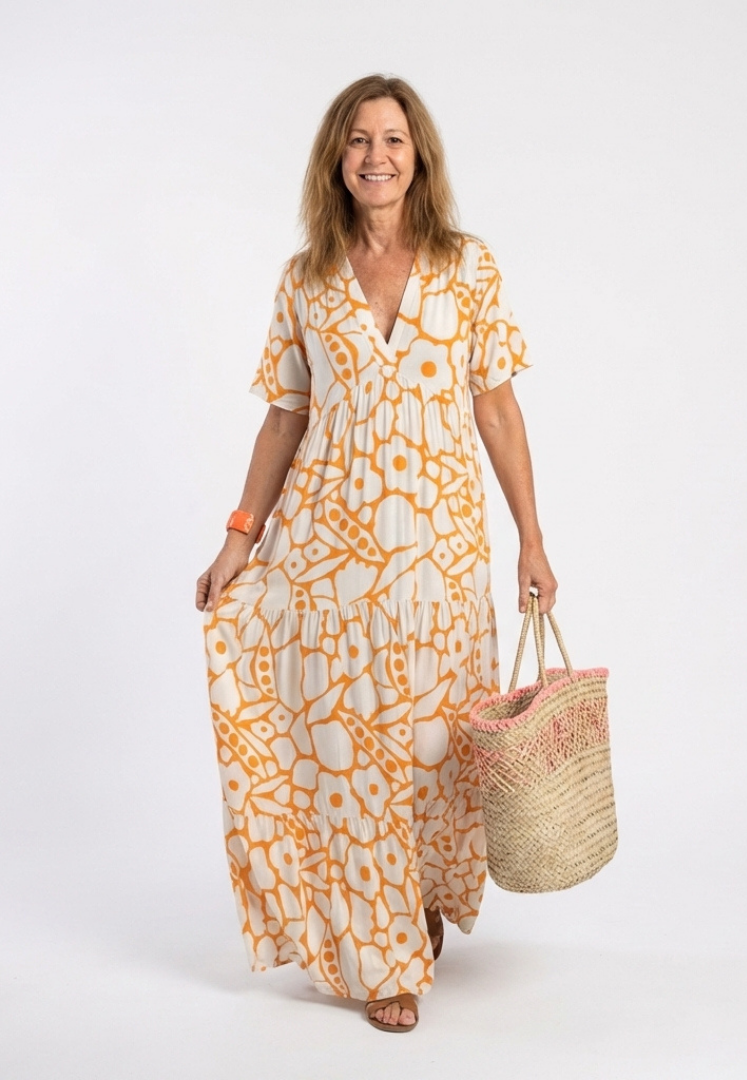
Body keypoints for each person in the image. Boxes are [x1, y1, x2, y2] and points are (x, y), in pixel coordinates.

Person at [195, 74, 557, 1032]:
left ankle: (418, 892)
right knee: (353, 749)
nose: (376, 156)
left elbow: (498, 411)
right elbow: (285, 419)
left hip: (441, 559)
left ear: (418, 155)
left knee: (436, 746)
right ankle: (383, 953)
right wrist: (238, 539)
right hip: (331, 560)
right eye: (358, 140)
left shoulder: (467, 268)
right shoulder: (305, 279)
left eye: (393, 139)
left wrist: (532, 539)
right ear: (336, 159)